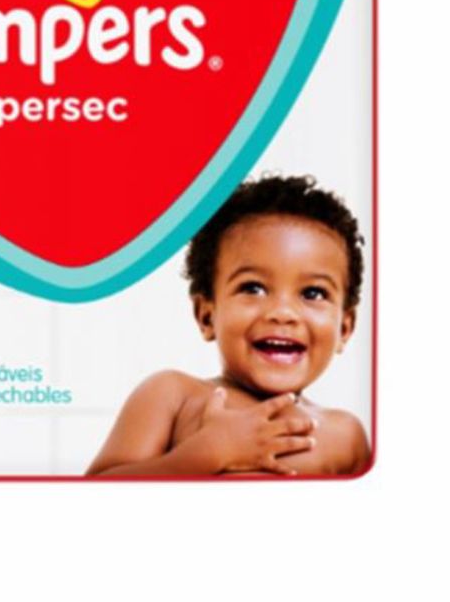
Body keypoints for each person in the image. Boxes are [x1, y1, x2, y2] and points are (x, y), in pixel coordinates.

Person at [87, 175, 371, 477]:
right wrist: (207, 454)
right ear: (206, 315)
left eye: (313, 293)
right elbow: (97, 489)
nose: (282, 313)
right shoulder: (173, 396)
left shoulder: (345, 435)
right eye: (253, 288)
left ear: (344, 329)